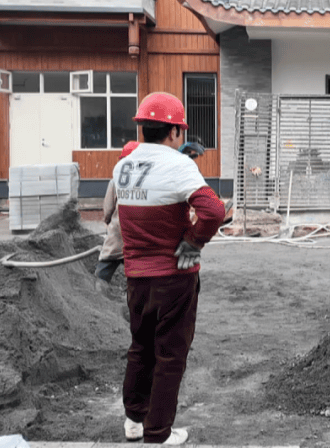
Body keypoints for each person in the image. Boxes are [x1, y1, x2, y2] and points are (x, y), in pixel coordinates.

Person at [115, 92, 226, 445]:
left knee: (140, 348)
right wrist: (193, 242)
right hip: (174, 278)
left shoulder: (123, 166)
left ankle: (134, 421)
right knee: (170, 356)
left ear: (143, 128)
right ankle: (158, 433)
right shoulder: (179, 165)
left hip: (136, 277)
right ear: (176, 131)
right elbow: (214, 211)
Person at [96, 140, 139, 283]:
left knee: (103, 271)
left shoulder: (115, 180)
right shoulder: (147, 182)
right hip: (138, 238)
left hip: (118, 234)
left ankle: (97, 293)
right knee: (139, 277)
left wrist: (108, 222)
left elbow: (108, 209)